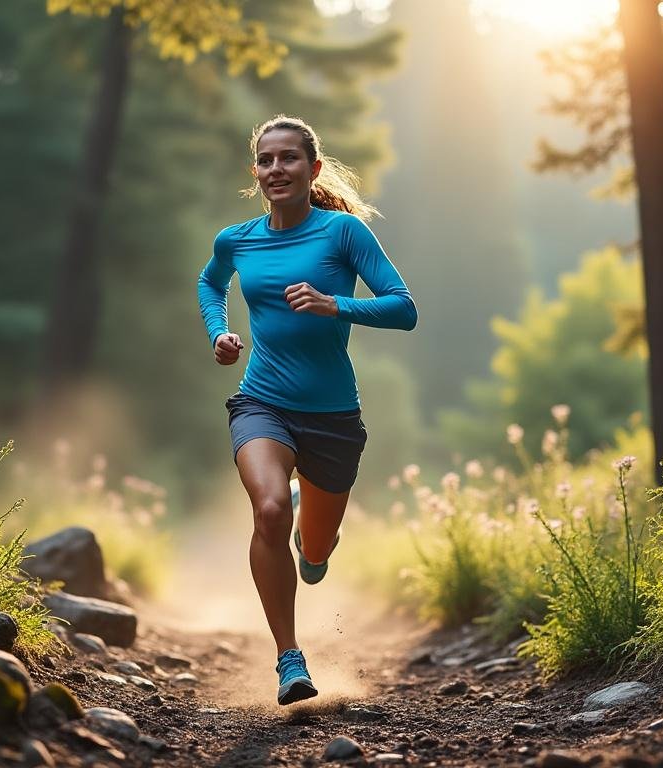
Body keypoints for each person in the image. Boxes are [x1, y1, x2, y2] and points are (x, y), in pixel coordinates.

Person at [197, 115, 417, 705]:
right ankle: (288, 658)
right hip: (261, 400)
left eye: (289, 158)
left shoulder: (344, 234)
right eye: (266, 160)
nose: (277, 169)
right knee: (267, 510)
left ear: (312, 168)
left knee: (315, 552)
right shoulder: (236, 239)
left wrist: (334, 304)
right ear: (256, 172)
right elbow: (210, 282)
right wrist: (220, 332)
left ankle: (310, 533)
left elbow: (403, 308)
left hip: (333, 417)